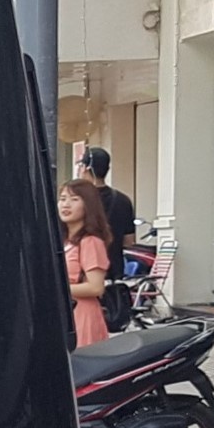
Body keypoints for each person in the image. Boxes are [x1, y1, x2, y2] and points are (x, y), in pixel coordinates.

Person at [59, 179, 113, 347]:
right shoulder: (64, 241)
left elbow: (96, 287)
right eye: (62, 199)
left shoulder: (91, 241)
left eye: (74, 199)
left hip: (82, 315)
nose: (66, 204)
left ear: (88, 205)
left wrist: (58, 289)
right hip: (65, 313)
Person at [78, 147, 138, 251]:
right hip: (114, 260)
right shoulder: (123, 201)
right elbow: (128, 241)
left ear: (84, 168)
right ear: (107, 169)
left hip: (84, 259)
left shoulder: (78, 199)